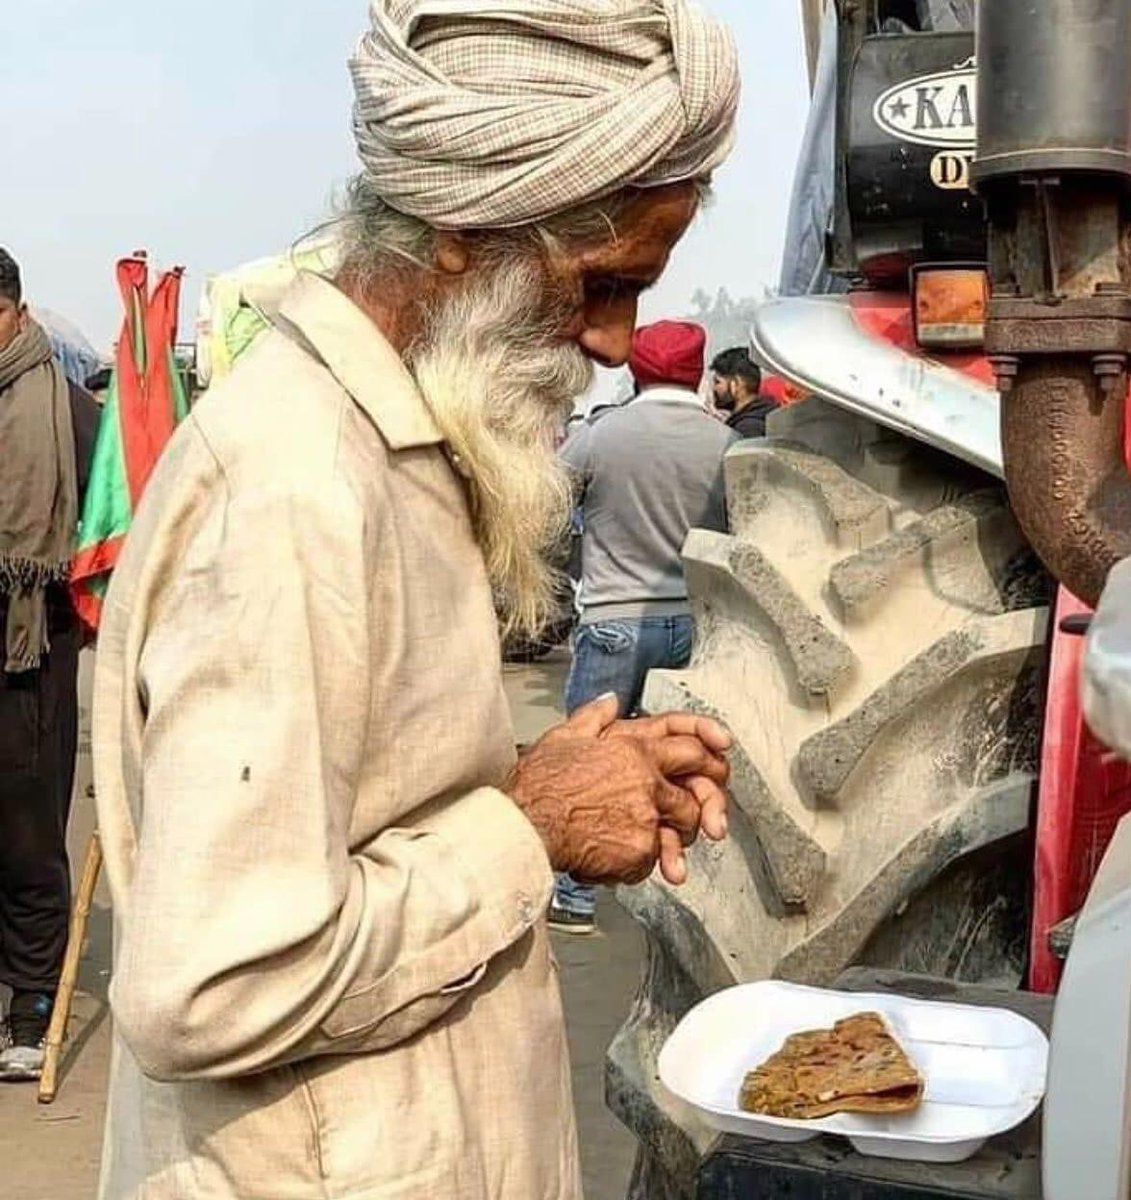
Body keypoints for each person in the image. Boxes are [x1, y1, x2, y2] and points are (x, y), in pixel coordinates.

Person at [92, 3, 740, 1198]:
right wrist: (529, 828)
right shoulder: (292, 487)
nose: (614, 339)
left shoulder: (398, 443)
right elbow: (209, 985)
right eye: (602, 283)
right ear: (459, 229)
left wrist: (550, 773)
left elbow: (360, 810)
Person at [551, 319, 738, 932]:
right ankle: (672, 900)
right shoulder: (725, 443)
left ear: (637, 370)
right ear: (699, 372)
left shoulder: (603, 436)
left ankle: (575, 902)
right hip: (690, 621)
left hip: (612, 620)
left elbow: (549, 503)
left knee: (589, 759)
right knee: (678, 761)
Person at [0, 248, 99, 1081]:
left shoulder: (71, 417)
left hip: (35, 652)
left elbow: (107, 539)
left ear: (14, 311)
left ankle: (32, 998)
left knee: (29, 831)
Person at [711, 344, 779, 436]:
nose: (714, 388)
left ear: (737, 383)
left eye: (717, 382)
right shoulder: (766, 416)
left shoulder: (747, 429)